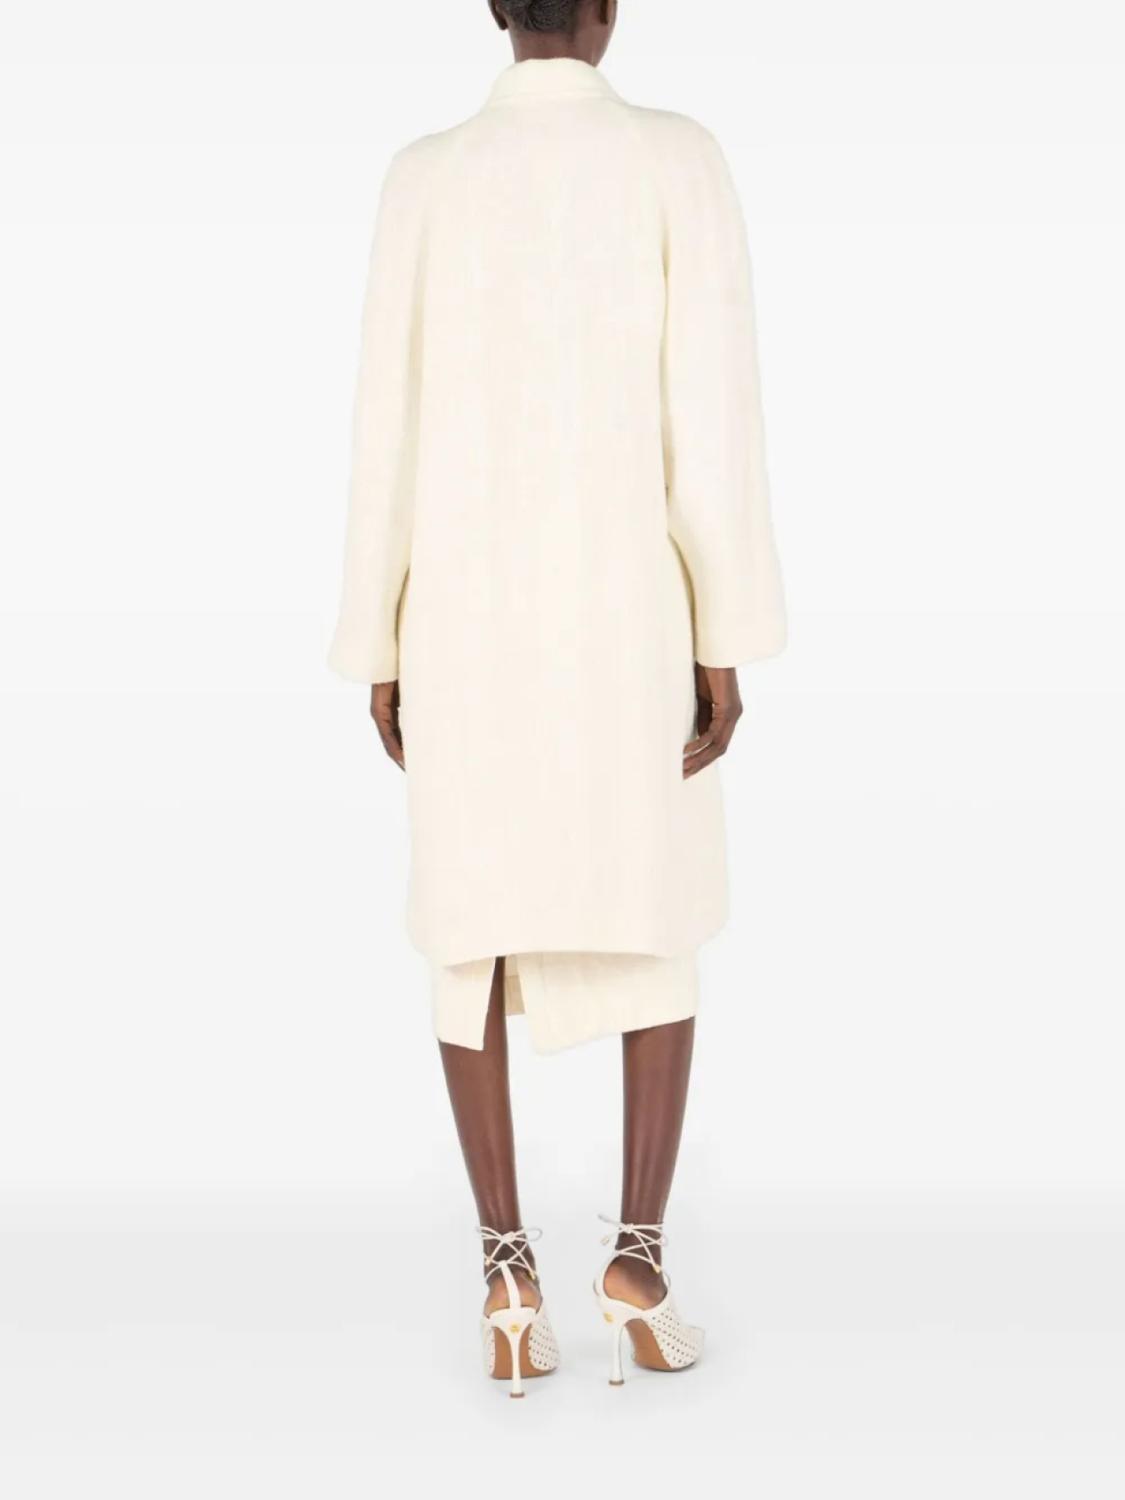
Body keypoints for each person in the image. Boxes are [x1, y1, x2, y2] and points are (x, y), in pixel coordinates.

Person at [329, 0, 785, 1396]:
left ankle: (506, 1276)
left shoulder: (423, 174)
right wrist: (724, 635)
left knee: (469, 927)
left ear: (493, 9)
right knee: (657, 909)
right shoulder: (676, 157)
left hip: (461, 618)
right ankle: (636, 1260)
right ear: (609, 9)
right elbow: (711, 423)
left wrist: (379, 636)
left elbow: (385, 428)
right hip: (629, 613)